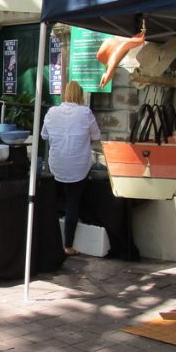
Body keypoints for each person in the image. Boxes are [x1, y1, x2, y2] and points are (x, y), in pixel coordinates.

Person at [41, 79, 101, 257]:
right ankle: (68, 245)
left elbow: (44, 135)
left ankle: (47, 242)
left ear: (65, 94)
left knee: (52, 202)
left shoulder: (52, 112)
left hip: (56, 164)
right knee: (73, 204)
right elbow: (96, 135)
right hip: (78, 166)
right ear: (80, 95)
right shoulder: (85, 112)